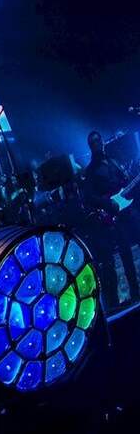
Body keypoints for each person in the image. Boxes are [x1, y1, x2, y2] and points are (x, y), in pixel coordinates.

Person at [82, 130, 139, 309]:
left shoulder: (114, 161)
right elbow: (89, 197)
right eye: (93, 142)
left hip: (129, 210)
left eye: (98, 140)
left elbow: (125, 181)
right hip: (115, 215)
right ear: (90, 146)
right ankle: (135, 293)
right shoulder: (90, 170)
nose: (97, 143)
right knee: (125, 254)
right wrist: (109, 203)